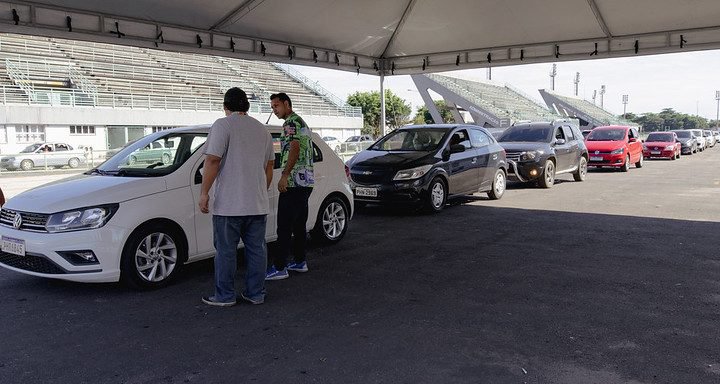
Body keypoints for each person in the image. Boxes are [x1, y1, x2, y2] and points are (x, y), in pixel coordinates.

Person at [199, 87, 275, 306]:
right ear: (247, 106)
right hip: (257, 204)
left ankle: (224, 295)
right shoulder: (262, 130)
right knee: (257, 251)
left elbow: (212, 160)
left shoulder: (223, 125)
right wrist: (260, 189)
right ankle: (256, 293)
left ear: (225, 107)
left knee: (226, 252)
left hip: (229, 205)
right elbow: (269, 166)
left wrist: (204, 193)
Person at [266, 92, 314, 280]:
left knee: (284, 225)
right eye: (272, 107)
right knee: (299, 224)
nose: (274, 110)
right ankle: (300, 261)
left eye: (276, 106)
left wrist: (284, 175)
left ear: (286, 104)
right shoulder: (300, 122)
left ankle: (279, 267)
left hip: (294, 181)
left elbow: (294, 147)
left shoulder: (290, 123)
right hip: (306, 181)